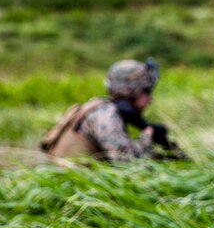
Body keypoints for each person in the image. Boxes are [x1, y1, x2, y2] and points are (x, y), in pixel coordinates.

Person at [40, 58, 182, 162]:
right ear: (131, 92)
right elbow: (128, 163)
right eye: (147, 92)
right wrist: (148, 135)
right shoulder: (107, 116)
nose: (150, 99)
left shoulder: (100, 107)